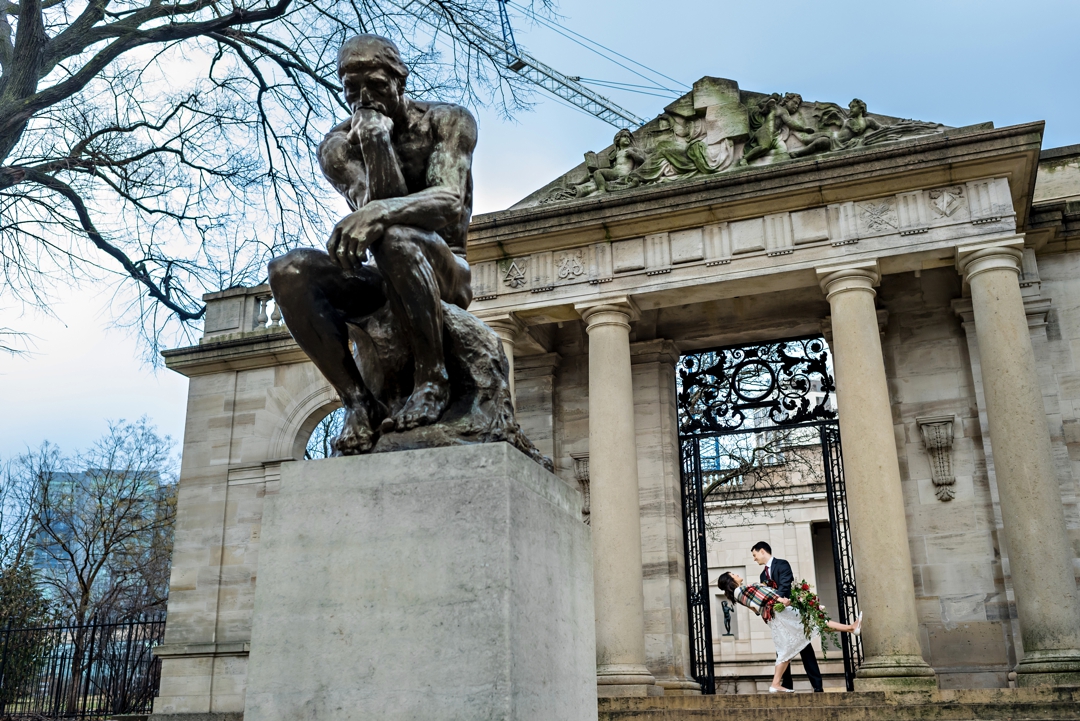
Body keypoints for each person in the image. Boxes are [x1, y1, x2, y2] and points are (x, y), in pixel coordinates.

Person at [268, 34, 476, 454]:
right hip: (383, 273)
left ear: (400, 79)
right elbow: (372, 208)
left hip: (446, 269)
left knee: (395, 234)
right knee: (287, 271)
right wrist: (376, 143)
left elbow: (449, 202)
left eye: (377, 85)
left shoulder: (447, 121)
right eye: (353, 89)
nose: (365, 97)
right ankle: (358, 401)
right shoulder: (338, 145)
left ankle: (432, 379)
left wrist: (379, 212)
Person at [717, 569, 861, 693]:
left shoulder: (739, 593)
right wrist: (780, 599)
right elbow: (763, 596)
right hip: (781, 617)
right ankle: (775, 684)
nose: (737, 574)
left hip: (778, 618)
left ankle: (850, 628)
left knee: (797, 637)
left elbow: (756, 608)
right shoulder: (740, 590)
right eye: (733, 574)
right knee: (804, 630)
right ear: (731, 580)